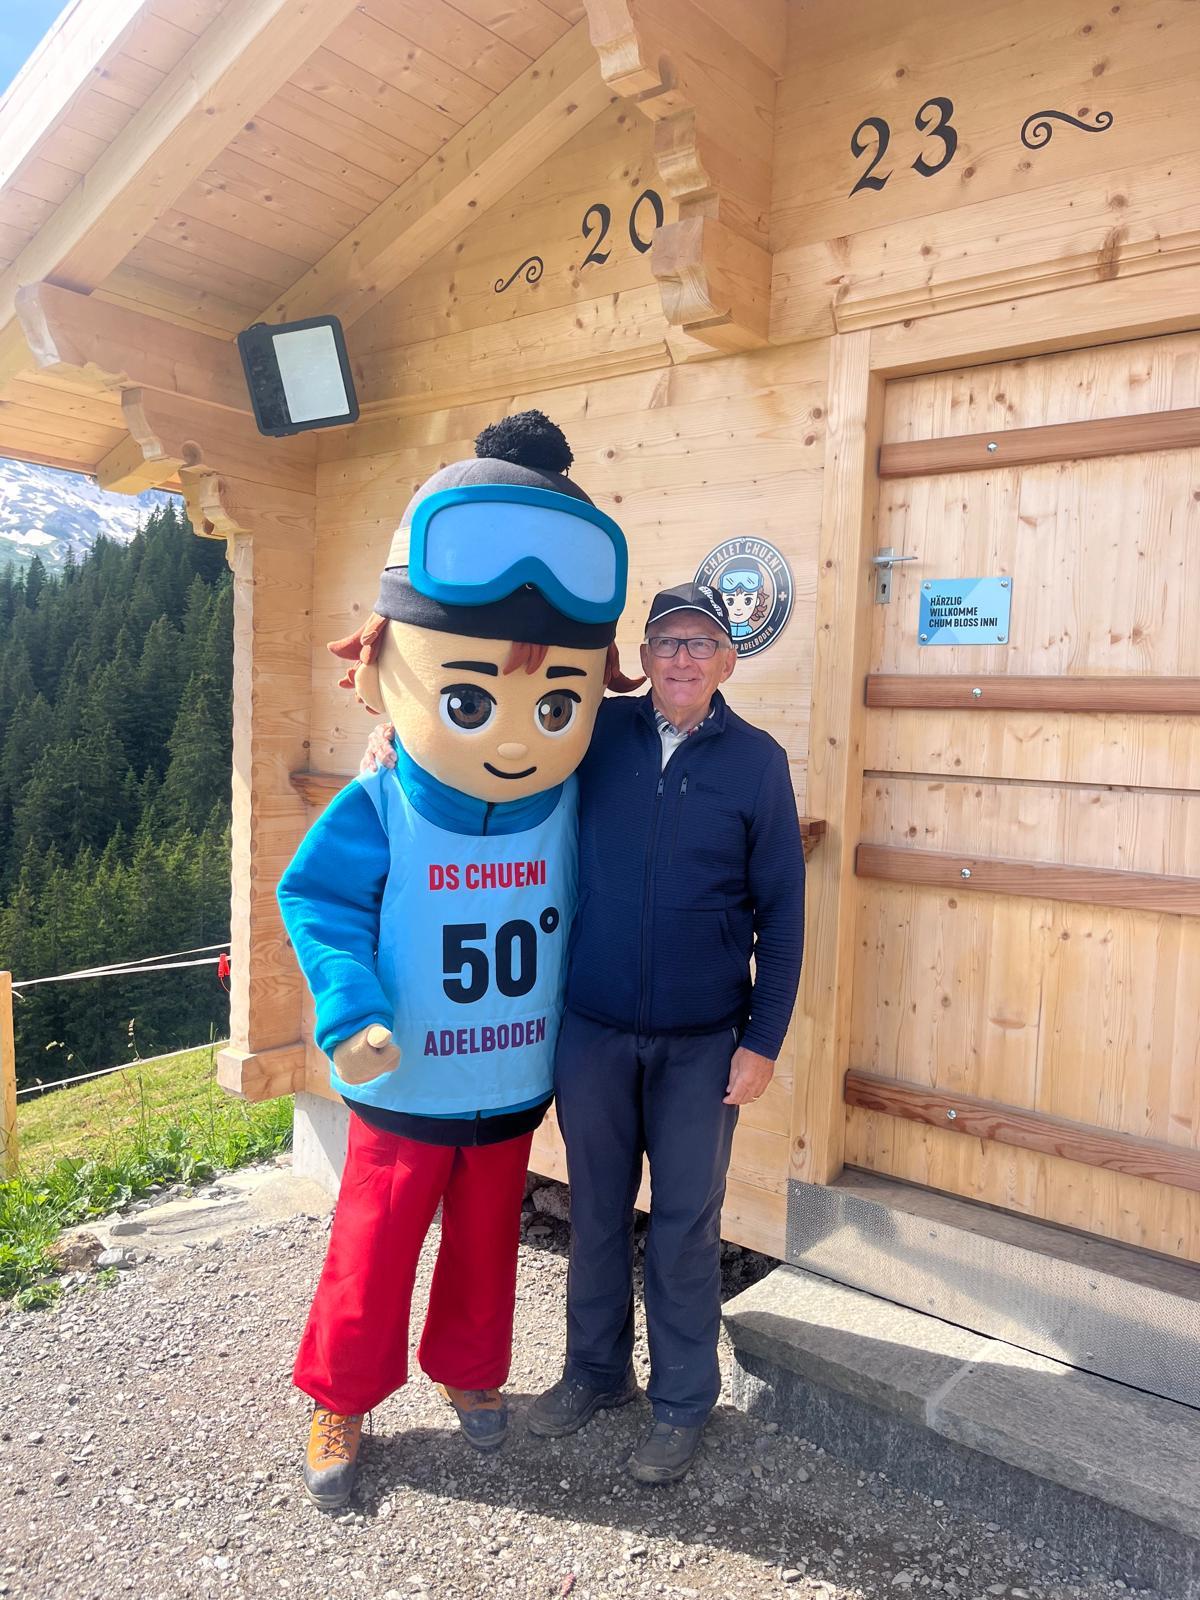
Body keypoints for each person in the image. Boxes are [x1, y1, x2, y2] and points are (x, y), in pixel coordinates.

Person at [276, 411, 634, 1510]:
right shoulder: (381, 800)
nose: (519, 734)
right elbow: (319, 898)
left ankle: (473, 1376)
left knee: (487, 1242)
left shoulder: (576, 794)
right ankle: (341, 1396)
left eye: (555, 702)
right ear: (381, 667)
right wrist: (347, 1011)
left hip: (513, 1079)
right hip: (407, 1076)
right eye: (470, 697)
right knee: (375, 1242)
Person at [525, 579, 804, 1483]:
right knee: (596, 1211)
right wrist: (391, 741)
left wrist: (761, 1041)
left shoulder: (757, 761)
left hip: (702, 1045)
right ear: (639, 660)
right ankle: (595, 1374)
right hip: (594, 1031)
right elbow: (508, 751)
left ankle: (683, 1399)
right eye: (665, 643)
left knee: (685, 1225)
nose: (681, 659)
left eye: (698, 644)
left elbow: (783, 915)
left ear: (728, 660)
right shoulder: (596, 737)